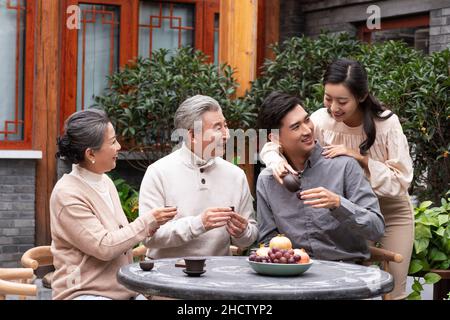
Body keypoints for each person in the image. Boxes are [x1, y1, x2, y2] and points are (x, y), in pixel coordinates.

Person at [260, 58, 414, 299]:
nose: (333, 108)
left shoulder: (386, 124)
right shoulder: (320, 119)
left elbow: (400, 181)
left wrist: (360, 158)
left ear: (361, 96)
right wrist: (274, 160)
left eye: (342, 101)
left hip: (389, 206)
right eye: (328, 98)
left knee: (393, 290)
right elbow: (283, 138)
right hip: (342, 207)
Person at [50, 109, 177, 300]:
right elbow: (104, 246)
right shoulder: (67, 195)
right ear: (91, 153)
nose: (118, 146)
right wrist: (148, 221)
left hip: (123, 288)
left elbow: (120, 236)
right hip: (85, 292)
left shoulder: (105, 181)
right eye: (112, 142)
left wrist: (154, 226)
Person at [257, 91, 385, 263]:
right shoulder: (268, 180)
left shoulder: (344, 165)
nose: (307, 130)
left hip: (346, 274)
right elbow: (267, 240)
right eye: (296, 127)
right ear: (275, 138)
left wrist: (338, 204)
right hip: (293, 277)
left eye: (307, 120)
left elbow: (376, 228)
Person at [139, 95, 258, 258]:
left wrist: (243, 232)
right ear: (192, 135)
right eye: (217, 128)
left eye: (225, 125)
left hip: (217, 276)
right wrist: (199, 224)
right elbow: (149, 236)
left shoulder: (236, 175)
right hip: (166, 276)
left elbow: (248, 239)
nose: (227, 135)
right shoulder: (158, 172)